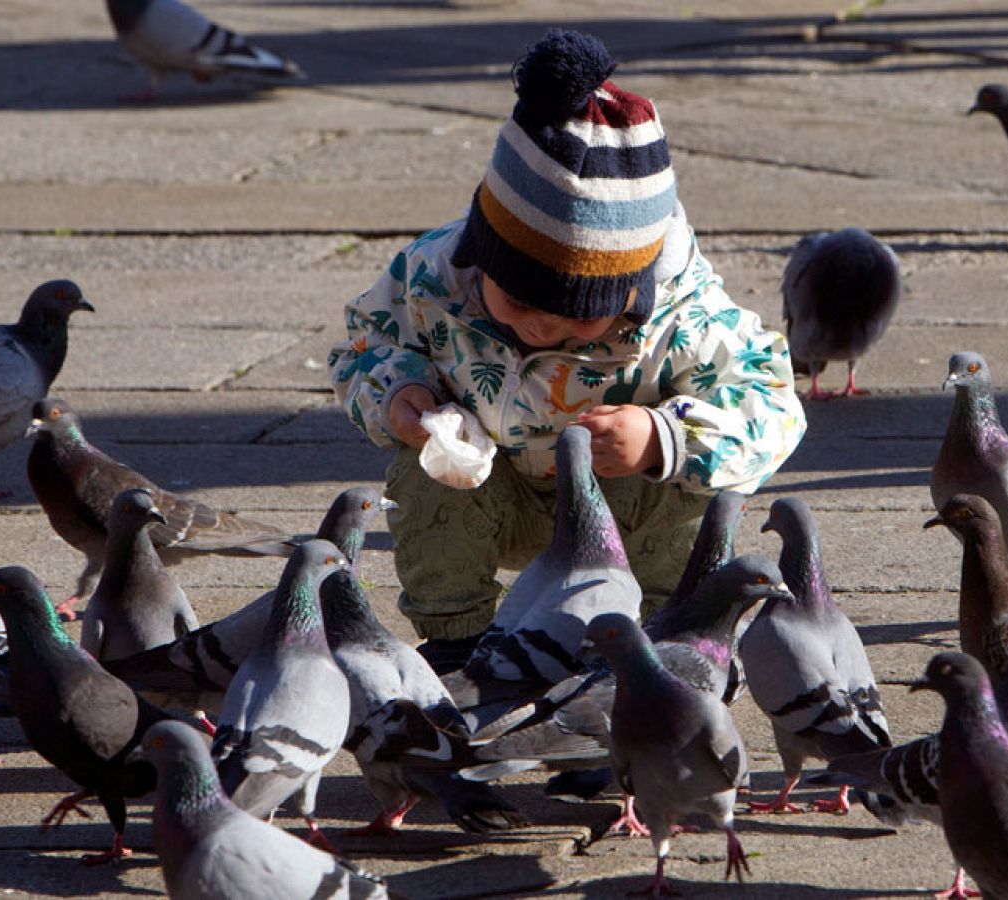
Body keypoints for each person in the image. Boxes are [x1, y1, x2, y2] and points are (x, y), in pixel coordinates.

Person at [328, 29, 807, 673]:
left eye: (578, 316)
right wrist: (398, 393)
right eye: (517, 301)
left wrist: (664, 438)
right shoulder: (434, 277)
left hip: (624, 512)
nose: (542, 329)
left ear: (632, 290)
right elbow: (365, 341)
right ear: (483, 256)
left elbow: (773, 404)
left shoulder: (686, 319)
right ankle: (457, 637)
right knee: (419, 473)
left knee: (691, 493)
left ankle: (668, 633)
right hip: (499, 498)